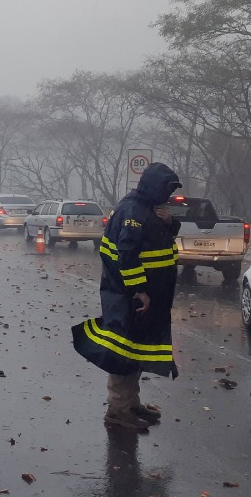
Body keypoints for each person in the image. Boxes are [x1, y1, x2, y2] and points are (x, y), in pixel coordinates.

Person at [72, 162, 183, 430]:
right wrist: (140, 291)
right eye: (166, 189)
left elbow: (158, 237)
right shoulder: (133, 210)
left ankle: (131, 403)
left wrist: (170, 221)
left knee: (136, 349)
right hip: (129, 296)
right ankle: (118, 410)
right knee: (123, 351)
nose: (168, 196)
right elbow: (127, 255)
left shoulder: (148, 207)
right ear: (154, 186)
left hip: (146, 294)